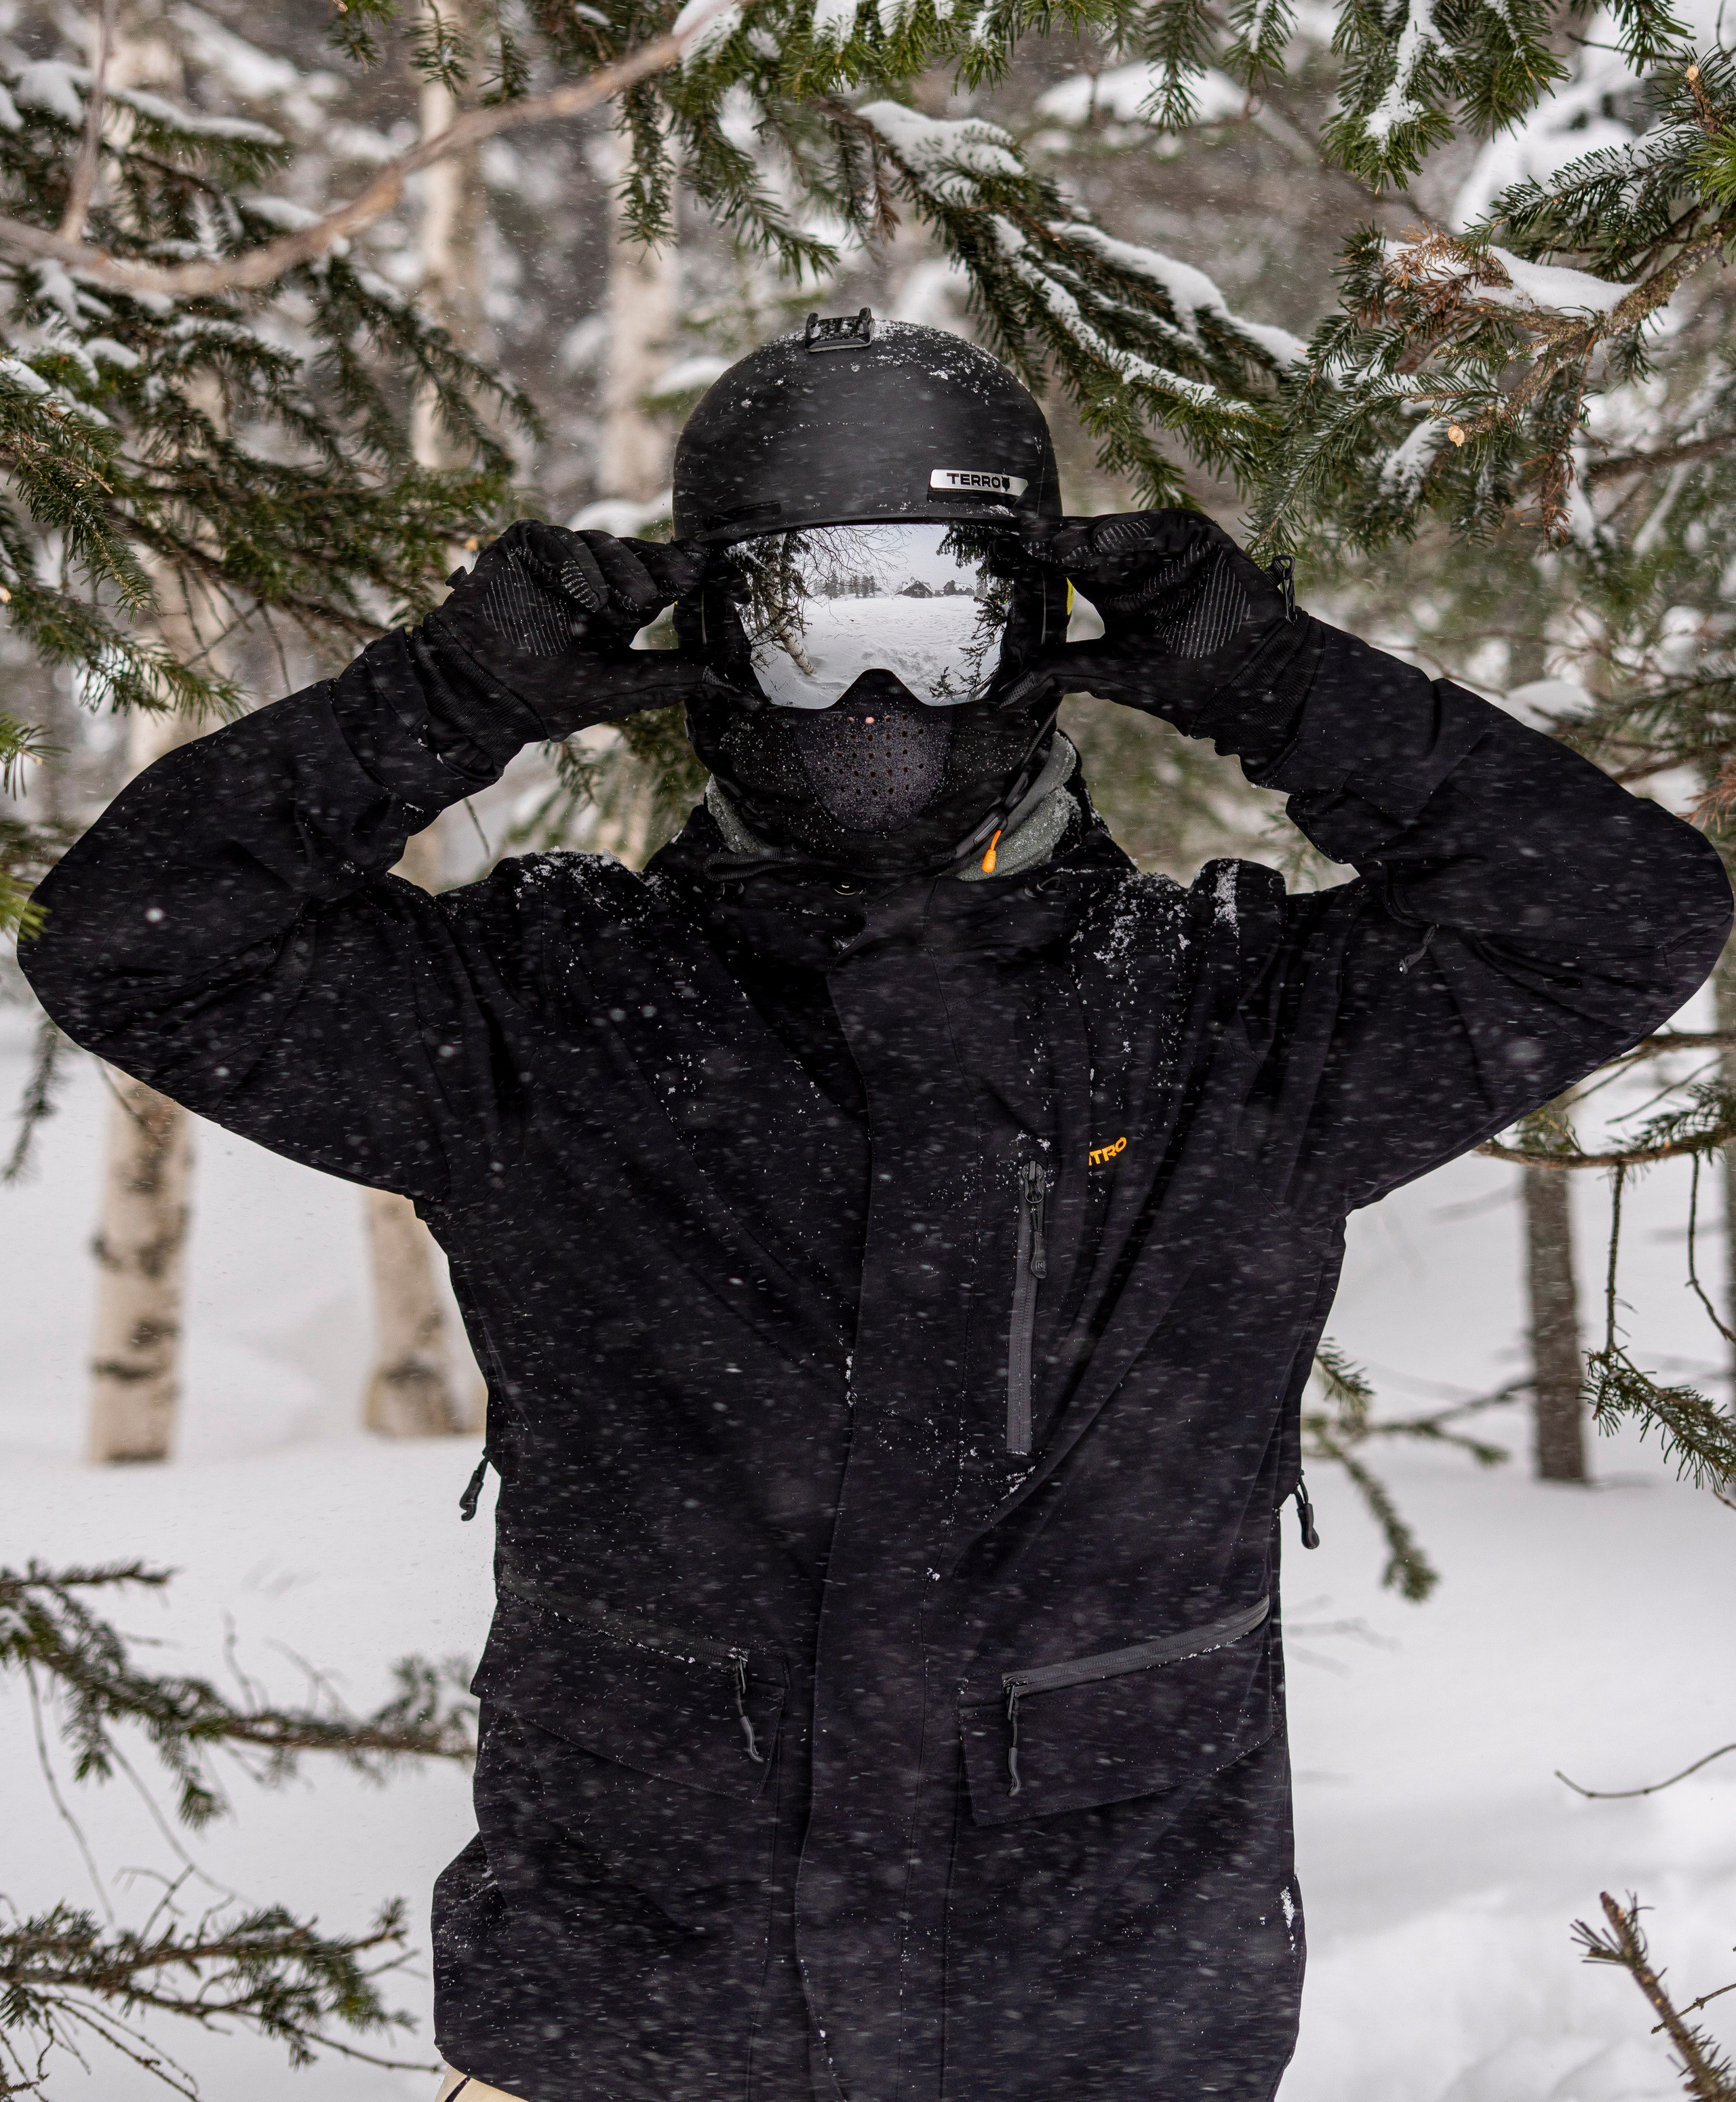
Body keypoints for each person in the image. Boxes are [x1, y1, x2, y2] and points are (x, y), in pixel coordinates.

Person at [22, 312, 1730, 2102]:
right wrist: (445, 698)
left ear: (1035, 641)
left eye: (940, 620)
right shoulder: (547, 1013)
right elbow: (131, 943)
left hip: (1106, 2023)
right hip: (636, 2027)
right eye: (808, 622)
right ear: (711, 647)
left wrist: (1284, 687)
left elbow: (1617, 915)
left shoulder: (1231, 1020)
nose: (876, 698)